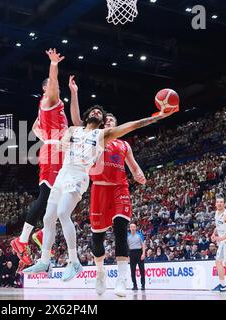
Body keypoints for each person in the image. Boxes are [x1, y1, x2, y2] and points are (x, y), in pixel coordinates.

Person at [24, 99, 176, 281]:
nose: (96, 113)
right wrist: (59, 137)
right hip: (62, 174)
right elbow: (60, 141)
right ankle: (44, 260)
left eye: (100, 113)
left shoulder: (102, 135)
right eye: (93, 111)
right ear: (87, 116)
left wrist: (157, 117)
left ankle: (74, 262)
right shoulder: (74, 130)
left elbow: (132, 125)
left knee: (63, 213)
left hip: (79, 175)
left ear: (102, 120)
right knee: (48, 218)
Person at [10, 49, 82, 265]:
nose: (57, 89)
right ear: (46, 88)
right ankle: (22, 240)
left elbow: (73, 124)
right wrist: (53, 64)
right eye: (54, 86)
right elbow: (52, 83)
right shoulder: (49, 100)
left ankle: (40, 233)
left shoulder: (52, 108)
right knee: (46, 195)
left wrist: (74, 92)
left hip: (59, 152)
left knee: (63, 200)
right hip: (53, 153)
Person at [84, 109, 146, 296]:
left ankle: (121, 280)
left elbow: (133, 166)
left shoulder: (124, 145)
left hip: (120, 188)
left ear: (117, 125)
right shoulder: (96, 139)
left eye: (112, 120)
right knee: (97, 241)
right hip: (99, 189)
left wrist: (138, 173)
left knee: (120, 229)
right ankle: (100, 272)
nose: (109, 121)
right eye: (107, 120)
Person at [127, 223, 146, 291]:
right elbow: (127, 247)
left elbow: (143, 245)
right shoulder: (128, 236)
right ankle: (134, 285)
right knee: (132, 271)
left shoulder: (139, 235)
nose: (132, 228)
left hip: (139, 252)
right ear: (129, 228)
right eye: (131, 227)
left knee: (142, 270)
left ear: (136, 228)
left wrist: (143, 254)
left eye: (134, 227)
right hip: (131, 253)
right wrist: (128, 256)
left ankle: (143, 285)